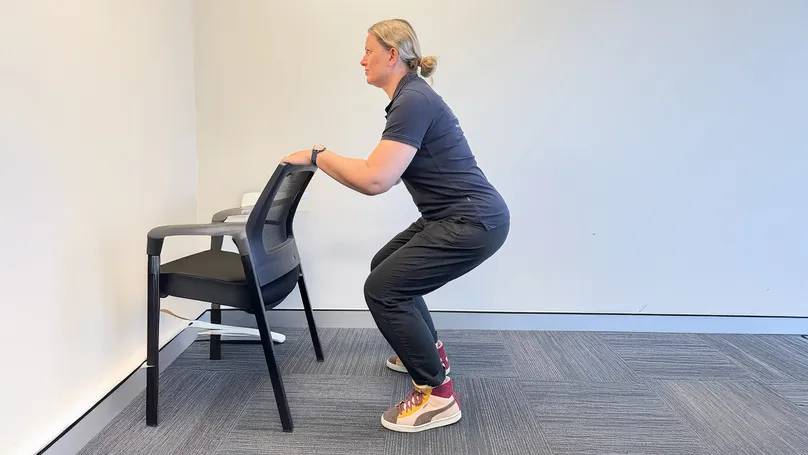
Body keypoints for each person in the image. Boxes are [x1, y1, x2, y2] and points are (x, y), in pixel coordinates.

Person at [281, 18, 510, 433]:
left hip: (473, 219)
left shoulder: (413, 100)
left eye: (368, 50)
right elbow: (377, 169)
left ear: (392, 54)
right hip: (456, 215)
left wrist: (317, 155)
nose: (362, 59)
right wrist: (322, 157)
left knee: (384, 290)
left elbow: (375, 179)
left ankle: (437, 396)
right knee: (385, 264)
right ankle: (427, 353)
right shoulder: (411, 97)